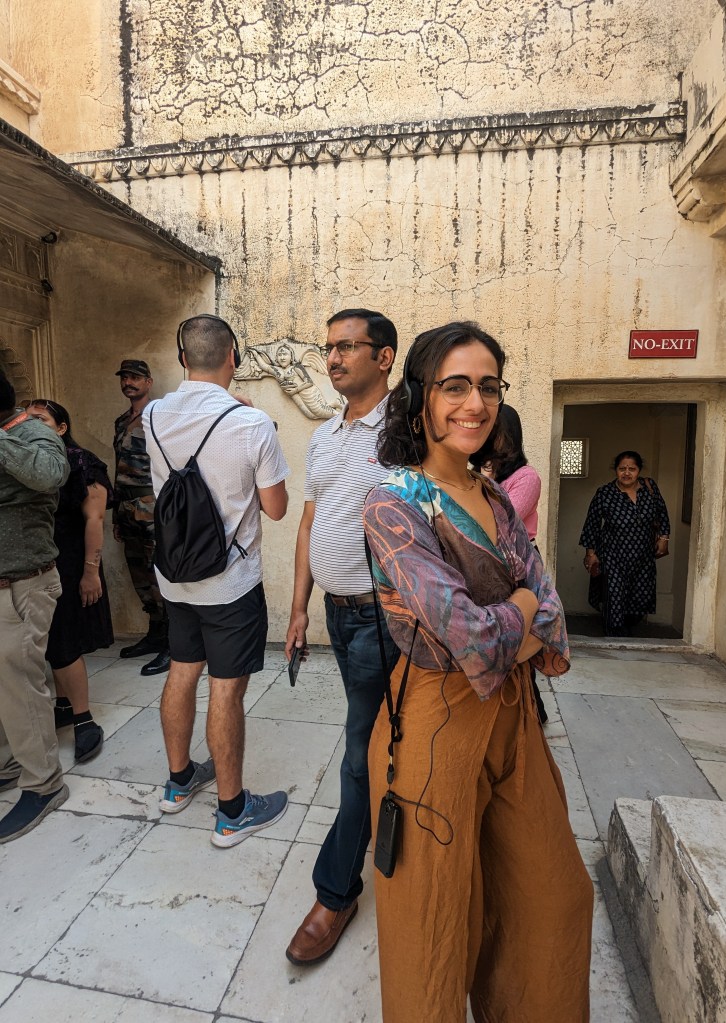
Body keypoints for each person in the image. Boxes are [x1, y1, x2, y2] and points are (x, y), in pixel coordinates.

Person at [362, 323, 593, 1023]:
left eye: (488, 386)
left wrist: (512, 620)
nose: (475, 403)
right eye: (455, 386)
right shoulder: (394, 502)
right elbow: (474, 637)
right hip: (435, 726)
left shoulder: (493, 497)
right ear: (420, 400)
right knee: (432, 927)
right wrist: (520, 609)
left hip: (515, 721)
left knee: (552, 898)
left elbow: (550, 613)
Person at [144, 314, 290, 847]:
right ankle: (232, 812)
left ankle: (179, 782)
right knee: (225, 691)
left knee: (182, 672)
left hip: (175, 577)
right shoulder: (253, 425)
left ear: (182, 358)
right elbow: (276, 509)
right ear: (234, 357)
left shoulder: (152, 414)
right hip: (231, 583)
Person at [284, 308, 400, 966]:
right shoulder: (325, 435)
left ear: (383, 357)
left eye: (347, 347)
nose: (332, 358)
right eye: (328, 347)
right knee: (376, 740)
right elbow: (309, 523)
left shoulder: (406, 428)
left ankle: (335, 892)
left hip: (387, 618)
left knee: (360, 752)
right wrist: (298, 607)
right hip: (339, 614)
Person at [0, 372, 70, 843]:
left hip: (22, 585)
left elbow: (47, 475)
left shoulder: (35, 434)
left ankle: (43, 784)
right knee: (5, 687)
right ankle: (9, 763)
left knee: (23, 687)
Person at [26, 398, 114, 764]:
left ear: (61, 428)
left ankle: (83, 718)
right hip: (40, 560)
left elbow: (95, 519)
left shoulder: (81, 462)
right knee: (49, 639)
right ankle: (63, 704)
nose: (31, 425)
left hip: (73, 560)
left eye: (41, 419)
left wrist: (90, 572)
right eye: (26, 419)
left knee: (63, 640)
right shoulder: (30, 462)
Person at [471, 403, 548, 723]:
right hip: (492, 562)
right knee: (498, 637)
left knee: (520, 637)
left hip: (519, 563)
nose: (490, 438)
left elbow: (500, 522)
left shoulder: (526, 477)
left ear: (511, 436)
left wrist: (484, 481)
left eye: (496, 432)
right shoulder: (480, 474)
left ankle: (532, 711)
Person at [112, 359, 169, 676]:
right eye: (124, 378)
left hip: (151, 505)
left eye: (135, 377)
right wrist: (115, 515)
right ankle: (155, 633)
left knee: (159, 572)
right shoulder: (122, 421)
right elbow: (118, 466)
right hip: (126, 506)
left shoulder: (159, 417)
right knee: (140, 574)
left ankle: (173, 642)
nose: (128, 382)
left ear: (148, 382)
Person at [580, 450, 671, 636]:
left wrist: (664, 538)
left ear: (639, 470)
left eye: (632, 469)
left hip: (643, 559)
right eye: (622, 469)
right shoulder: (605, 493)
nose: (627, 473)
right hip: (613, 557)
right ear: (616, 470)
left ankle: (626, 633)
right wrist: (591, 554)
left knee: (640, 600)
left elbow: (662, 513)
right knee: (613, 601)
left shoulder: (650, 488)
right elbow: (592, 525)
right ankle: (613, 639)